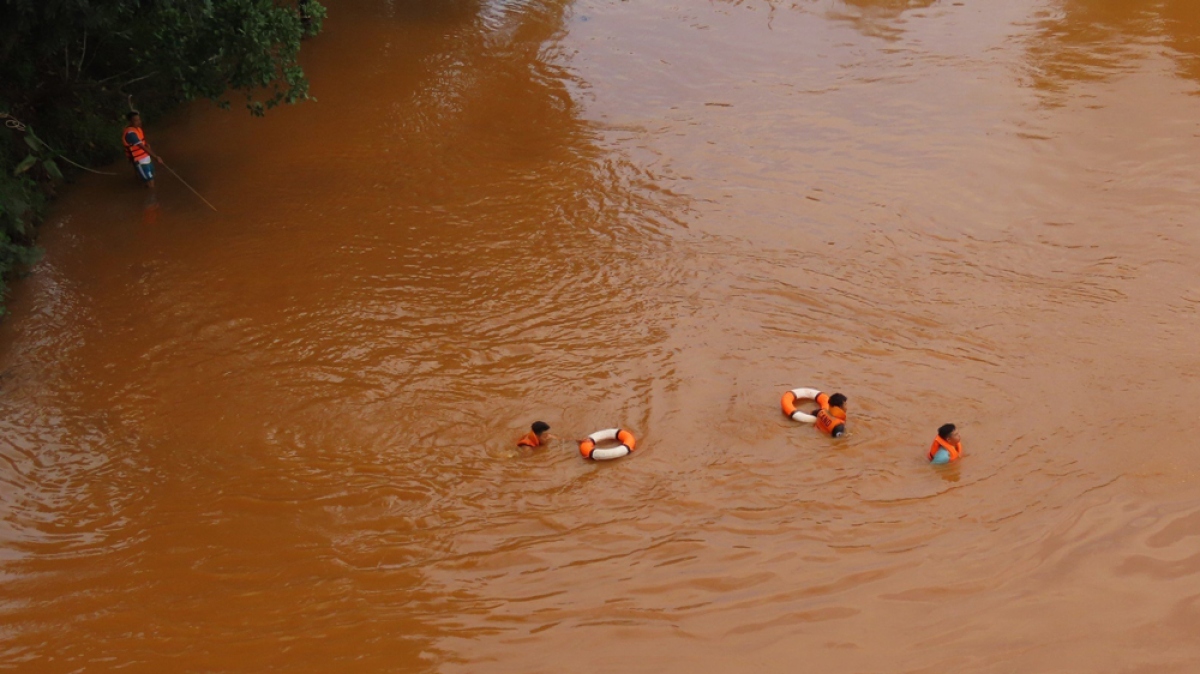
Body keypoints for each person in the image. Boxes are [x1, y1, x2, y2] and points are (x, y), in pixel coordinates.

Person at [122, 111, 159, 188]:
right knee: (150, 184)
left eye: (139, 119)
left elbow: (142, 143)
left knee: (152, 175)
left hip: (145, 156)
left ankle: (140, 179)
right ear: (130, 122)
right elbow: (141, 146)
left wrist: (146, 145)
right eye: (136, 120)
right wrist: (156, 157)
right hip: (139, 160)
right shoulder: (130, 134)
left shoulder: (138, 129)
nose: (139, 122)